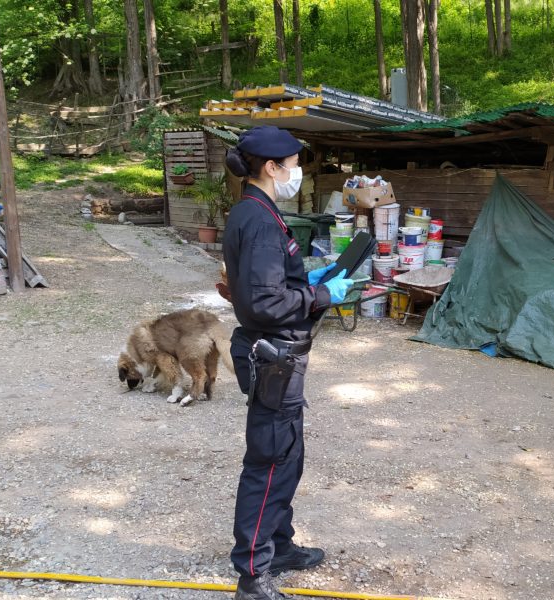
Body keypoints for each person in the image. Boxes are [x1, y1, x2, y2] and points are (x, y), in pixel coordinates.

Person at [221, 126, 353, 600]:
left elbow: (268, 284)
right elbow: (263, 302)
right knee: (270, 461)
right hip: (274, 355)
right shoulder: (258, 220)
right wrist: (321, 294)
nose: (298, 172)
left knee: (287, 458)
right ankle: (253, 574)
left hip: (282, 355)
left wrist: (308, 280)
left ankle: (278, 545)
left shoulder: (257, 211)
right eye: (295, 165)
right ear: (272, 167)